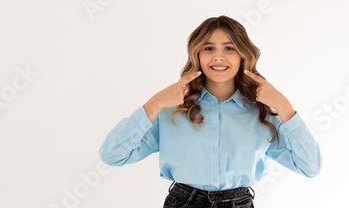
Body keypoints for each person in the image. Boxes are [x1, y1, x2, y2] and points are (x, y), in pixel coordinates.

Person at [98, 15, 322, 208]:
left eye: (229, 48)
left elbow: (310, 167)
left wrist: (285, 109)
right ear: (197, 55)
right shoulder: (171, 113)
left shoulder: (262, 116)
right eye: (209, 48)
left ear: (242, 54)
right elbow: (112, 155)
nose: (218, 56)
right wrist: (153, 104)